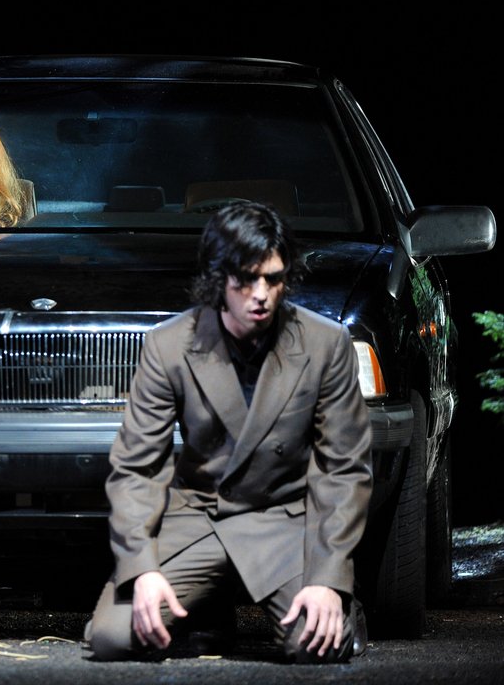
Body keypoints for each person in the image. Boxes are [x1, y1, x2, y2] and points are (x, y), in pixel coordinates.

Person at [84, 201, 372, 664]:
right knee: (114, 637)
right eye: (245, 280)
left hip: (283, 519)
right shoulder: (169, 345)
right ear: (219, 279)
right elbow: (136, 468)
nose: (260, 295)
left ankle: (344, 605)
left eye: (273, 279)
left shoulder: (325, 344)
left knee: (316, 643)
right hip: (199, 517)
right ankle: (207, 609)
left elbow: (344, 470)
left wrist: (328, 578)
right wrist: (141, 569)